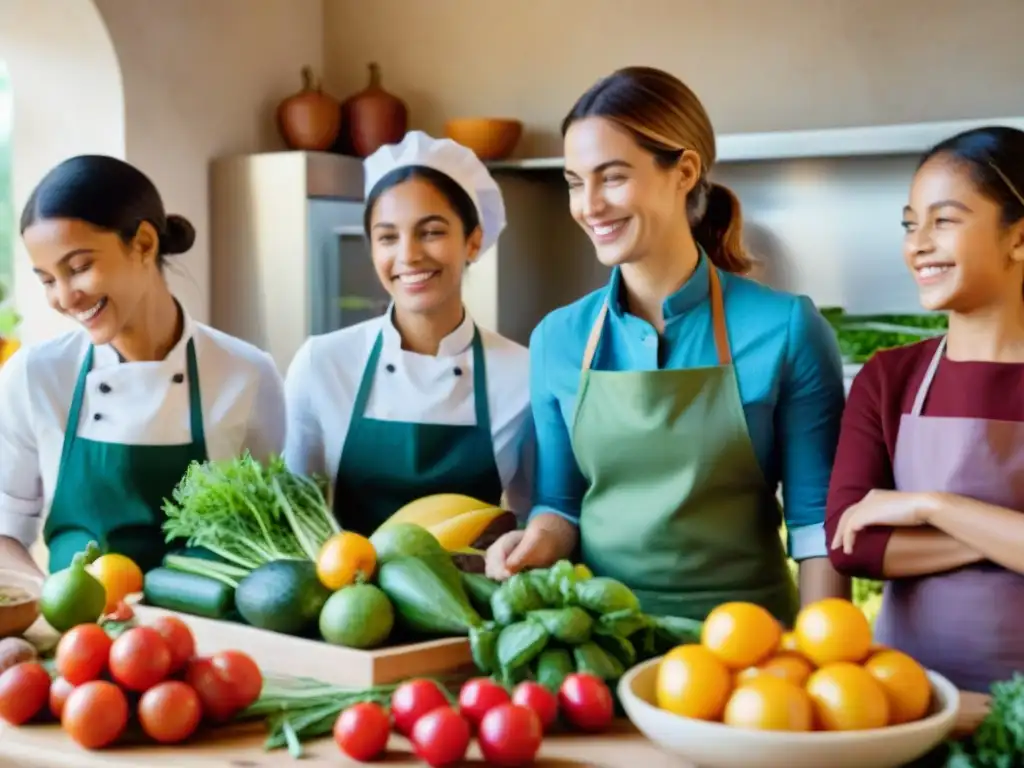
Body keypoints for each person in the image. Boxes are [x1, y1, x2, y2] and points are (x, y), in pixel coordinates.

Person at [483, 66, 849, 623]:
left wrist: (826, 661)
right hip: (603, 641)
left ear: (684, 171)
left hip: (748, 651)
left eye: (612, 177)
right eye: (575, 183)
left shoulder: (787, 330)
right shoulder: (559, 339)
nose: (589, 205)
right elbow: (560, 506)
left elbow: (816, 523)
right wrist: (535, 542)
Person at [0, 155, 286, 576]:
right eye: (47, 279)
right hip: (81, 636)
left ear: (145, 244)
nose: (64, 297)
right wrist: (52, 602)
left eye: (79, 268)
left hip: (212, 636)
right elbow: (4, 529)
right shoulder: (36, 375)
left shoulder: (246, 374)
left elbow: (273, 533)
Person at [827, 126, 1024, 693]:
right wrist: (1005, 540)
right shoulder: (890, 378)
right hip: (910, 701)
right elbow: (851, 543)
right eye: (911, 224)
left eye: (944, 220)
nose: (917, 244)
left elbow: (884, 529)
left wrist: (928, 506)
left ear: (1018, 238)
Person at [283, 131, 532, 535]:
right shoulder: (322, 363)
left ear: (473, 241)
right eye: (387, 237)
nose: (408, 255)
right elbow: (293, 509)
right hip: (349, 589)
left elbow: (535, 517)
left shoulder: (523, 374)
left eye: (431, 231)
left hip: (473, 595)